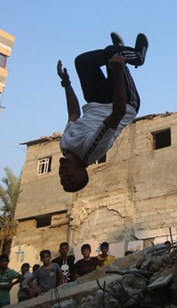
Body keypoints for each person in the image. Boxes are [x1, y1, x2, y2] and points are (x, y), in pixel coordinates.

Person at [57, 32, 148, 193]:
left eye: (62, 180)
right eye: (69, 178)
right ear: (81, 171)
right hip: (123, 102)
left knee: (83, 61)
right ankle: (137, 56)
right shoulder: (91, 150)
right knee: (114, 55)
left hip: (96, 100)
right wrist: (118, 73)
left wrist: (66, 83)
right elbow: (117, 113)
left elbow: (73, 114)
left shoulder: (65, 146)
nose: (63, 176)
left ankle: (120, 51)